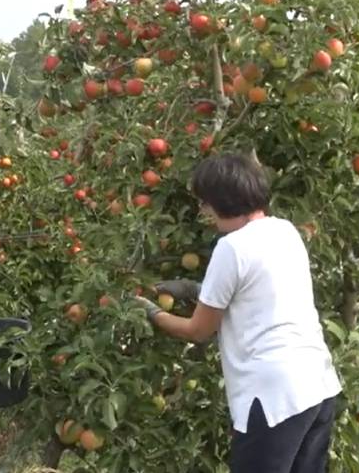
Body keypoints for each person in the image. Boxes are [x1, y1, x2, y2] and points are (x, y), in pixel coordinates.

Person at [135, 153, 342, 473]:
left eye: (204, 203)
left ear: (220, 201)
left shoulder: (231, 248)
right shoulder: (284, 231)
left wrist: (150, 313)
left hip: (273, 395)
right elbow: (256, 290)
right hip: (317, 383)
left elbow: (198, 331)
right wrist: (194, 289)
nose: (203, 211)